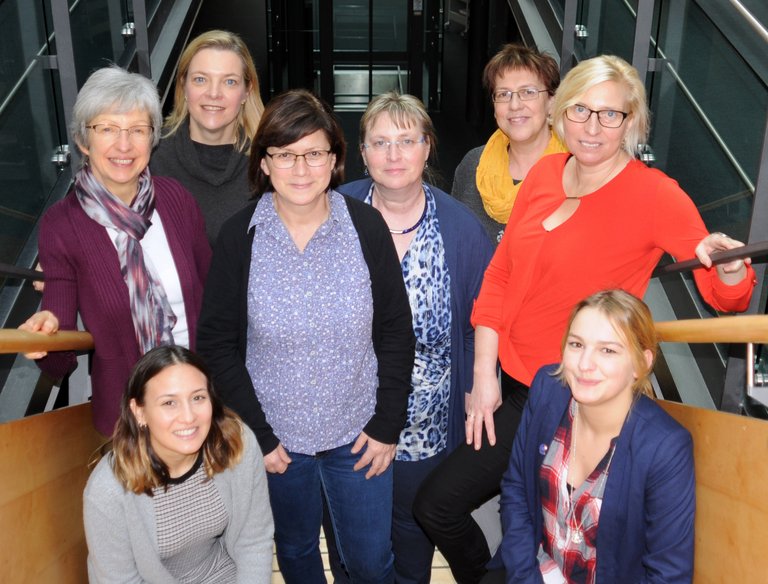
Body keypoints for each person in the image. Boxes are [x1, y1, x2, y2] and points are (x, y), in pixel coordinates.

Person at [414, 54, 754, 583]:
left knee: (455, 508)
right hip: (510, 377)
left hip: (570, 390)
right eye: (581, 110)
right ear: (560, 112)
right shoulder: (547, 172)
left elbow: (723, 291)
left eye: (610, 115)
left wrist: (731, 272)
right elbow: (500, 277)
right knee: (483, 511)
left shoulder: (654, 194)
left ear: (632, 121)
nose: (593, 127)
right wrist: (484, 376)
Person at [196, 89, 415, 584]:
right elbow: (217, 344)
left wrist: (386, 424)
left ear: (334, 160)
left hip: (359, 436)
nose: (301, 169)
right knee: (295, 554)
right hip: (278, 446)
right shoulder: (240, 237)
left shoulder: (365, 227)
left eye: (314, 153)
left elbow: (396, 331)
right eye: (286, 155)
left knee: (369, 562)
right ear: (265, 163)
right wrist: (259, 435)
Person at [338, 92, 494, 583]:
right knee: (351, 538)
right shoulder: (333, 213)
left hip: (426, 423)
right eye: (380, 142)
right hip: (347, 418)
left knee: (410, 532)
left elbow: (481, 321)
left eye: (407, 141)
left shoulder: (461, 230)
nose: (393, 154)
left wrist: (476, 386)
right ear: (362, 152)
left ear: (427, 148)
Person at [18, 66, 211, 436]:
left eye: (137, 130)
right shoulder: (62, 224)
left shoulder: (176, 200)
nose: (124, 146)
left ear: (152, 139)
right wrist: (44, 337)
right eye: (107, 129)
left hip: (201, 403)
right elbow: (59, 357)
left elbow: (215, 297)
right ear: (83, 140)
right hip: (128, 419)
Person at [500, 290, 695, 582]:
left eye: (608, 350)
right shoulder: (547, 390)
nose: (585, 364)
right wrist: (526, 576)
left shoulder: (665, 448)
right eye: (577, 344)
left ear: (641, 364)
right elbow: (515, 489)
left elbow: (668, 574)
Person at [84, 345, 274, 583]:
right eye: (169, 403)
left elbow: (253, 540)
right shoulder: (108, 490)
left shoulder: (238, 445)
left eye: (198, 398)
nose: (188, 416)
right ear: (139, 412)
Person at [151, 30, 264, 243]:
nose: (213, 93)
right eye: (201, 79)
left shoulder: (269, 161)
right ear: (183, 85)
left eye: (229, 82)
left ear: (246, 91)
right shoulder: (150, 155)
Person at [452, 43, 567, 244]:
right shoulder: (473, 164)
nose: (514, 105)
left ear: (551, 102)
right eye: (503, 94)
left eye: (528, 92)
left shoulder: (574, 172)